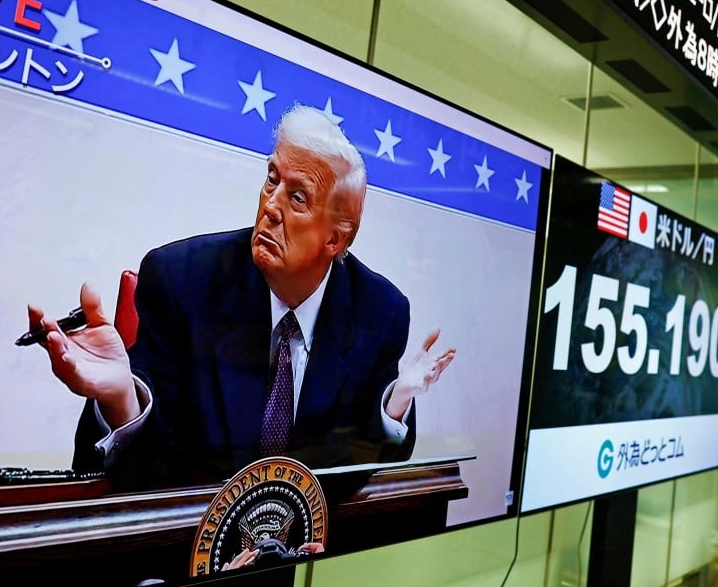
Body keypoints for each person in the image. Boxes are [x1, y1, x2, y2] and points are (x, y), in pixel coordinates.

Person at [28, 104, 456, 492]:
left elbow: (359, 462)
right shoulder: (182, 280)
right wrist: (123, 398)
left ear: (335, 239)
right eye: (272, 180)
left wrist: (396, 404)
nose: (271, 206)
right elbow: (144, 474)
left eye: (298, 197)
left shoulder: (378, 312)